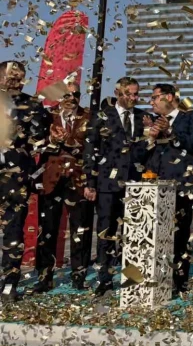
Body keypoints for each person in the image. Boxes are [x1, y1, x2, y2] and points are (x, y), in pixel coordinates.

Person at [83, 77, 151, 296]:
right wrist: (90, 182)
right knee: (106, 232)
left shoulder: (143, 117)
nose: (133, 98)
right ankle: (104, 279)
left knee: (134, 233)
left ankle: (132, 280)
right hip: (107, 184)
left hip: (136, 185)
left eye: (136, 94)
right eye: (129, 93)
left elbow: (149, 151)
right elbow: (90, 150)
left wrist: (150, 134)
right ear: (117, 93)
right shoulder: (101, 117)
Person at [145, 83, 193, 294]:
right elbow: (141, 154)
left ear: (169, 97)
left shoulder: (192, 117)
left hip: (181, 185)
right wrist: (150, 137)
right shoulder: (151, 121)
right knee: (154, 234)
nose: (152, 102)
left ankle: (179, 282)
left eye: (155, 97)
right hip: (154, 185)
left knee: (179, 235)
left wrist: (170, 131)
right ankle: (155, 279)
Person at [34, 82, 92, 292]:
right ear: (59, 96)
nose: (71, 98)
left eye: (75, 94)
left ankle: (79, 276)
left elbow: (94, 147)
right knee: (47, 230)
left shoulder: (89, 116)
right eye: (66, 94)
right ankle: (44, 278)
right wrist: (51, 138)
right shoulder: (46, 116)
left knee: (81, 229)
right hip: (51, 180)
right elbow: (34, 142)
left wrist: (70, 141)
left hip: (79, 180)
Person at [0, 61, 50, 300]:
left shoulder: (32, 105)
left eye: (19, 77)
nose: (16, 81)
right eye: (11, 76)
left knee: (13, 228)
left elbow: (39, 138)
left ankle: (9, 284)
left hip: (16, 176)